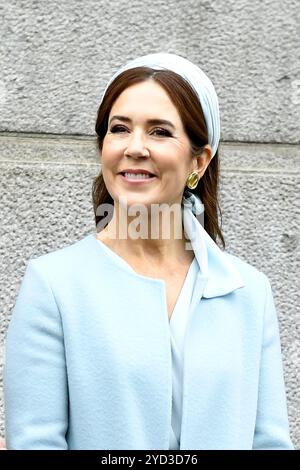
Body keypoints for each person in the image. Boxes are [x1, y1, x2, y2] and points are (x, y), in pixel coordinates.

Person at [4, 53, 294, 450]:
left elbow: (269, 444)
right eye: (119, 129)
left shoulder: (249, 293)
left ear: (199, 160)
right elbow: (35, 443)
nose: (135, 147)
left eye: (159, 132)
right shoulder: (54, 286)